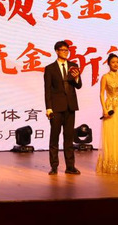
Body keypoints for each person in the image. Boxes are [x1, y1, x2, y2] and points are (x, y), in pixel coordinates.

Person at [44, 40, 82, 175]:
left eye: (67, 50)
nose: (66, 52)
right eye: (63, 50)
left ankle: (70, 167)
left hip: (70, 106)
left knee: (69, 137)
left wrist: (77, 78)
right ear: (57, 51)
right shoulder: (50, 68)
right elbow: (47, 90)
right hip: (56, 107)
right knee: (54, 137)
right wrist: (48, 108)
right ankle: (54, 166)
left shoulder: (73, 66)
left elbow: (79, 86)